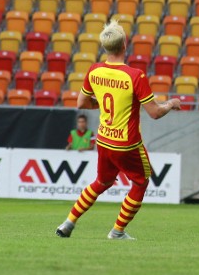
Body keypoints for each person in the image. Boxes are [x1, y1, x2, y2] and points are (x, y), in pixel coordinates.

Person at [55, 20, 181, 240]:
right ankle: (117, 231)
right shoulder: (135, 76)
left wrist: (101, 104)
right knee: (141, 181)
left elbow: (81, 104)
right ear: (125, 45)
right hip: (127, 143)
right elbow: (154, 113)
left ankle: (67, 223)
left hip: (104, 140)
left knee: (101, 182)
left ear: (106, 47)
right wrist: (170, 104)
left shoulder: (94, 71)